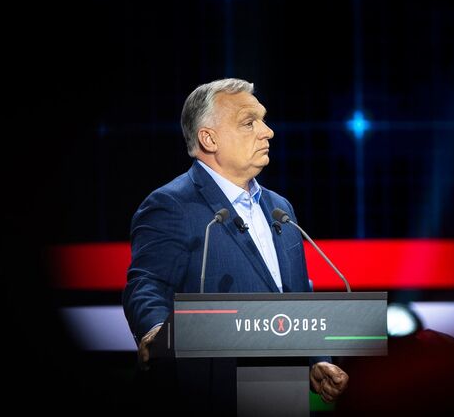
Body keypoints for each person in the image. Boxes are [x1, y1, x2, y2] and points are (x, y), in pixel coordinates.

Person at [122, 78, 349, 411]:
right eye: (249, 122)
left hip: (280, 393)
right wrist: (155, 331)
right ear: (209, 139)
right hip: (208, 391)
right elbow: (147, 284)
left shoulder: (280, 208)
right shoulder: (171, 205)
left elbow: (296, 297)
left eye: (264, 120)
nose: (268, 132)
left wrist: (318, 358)